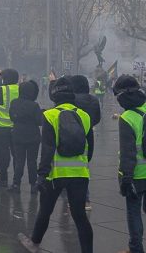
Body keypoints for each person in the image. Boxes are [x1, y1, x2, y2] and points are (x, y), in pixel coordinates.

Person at [18, 77, 94, 253]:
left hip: (55, 175)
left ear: (54, 95)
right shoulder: (84, 116)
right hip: (80, 175)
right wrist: (81, 165)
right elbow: (89, 149)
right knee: (80, 216)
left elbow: (48, 149)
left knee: (45, 210)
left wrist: (41, 175)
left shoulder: (50, 115)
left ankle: (34, 242)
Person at [112, 75, 146, 253]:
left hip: (136, 175)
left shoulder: (126, 117)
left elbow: (128, 153)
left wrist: (125, 178)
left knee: (134, 213)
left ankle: (136, 248)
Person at [71, 75, 102, 210]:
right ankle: (86, 200)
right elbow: (97, 118)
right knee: (83, 168)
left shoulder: (71, 99)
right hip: (87, 135)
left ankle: (71, 198)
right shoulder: (94, 100)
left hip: (70, 135)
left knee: (66, 167)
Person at [9, 80, 42, 194]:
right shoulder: (34, 105)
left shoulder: (14, 103)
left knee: (19, 161)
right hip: (33, 136)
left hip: (18, 135)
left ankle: (16, 184)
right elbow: (39, 121)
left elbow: (12, 118)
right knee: (32, 161)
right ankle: (33, 185)